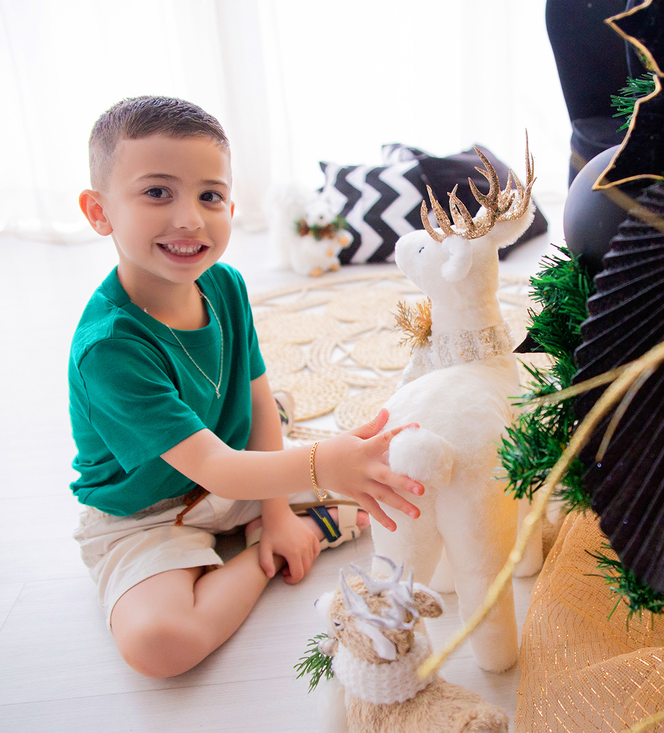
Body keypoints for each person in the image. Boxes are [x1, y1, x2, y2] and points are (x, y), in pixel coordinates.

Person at [69, 96, 423, 678]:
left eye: (209, 195)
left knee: (394, 481)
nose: (189, 218)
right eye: (158, 192)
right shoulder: (109, 347)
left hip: (239, 469)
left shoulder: (226, 284)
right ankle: (268, 554)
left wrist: (277, 508)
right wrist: (315, 478)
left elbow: (258, 397)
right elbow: (219, 470)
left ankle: (278, 527)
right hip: (148, 512)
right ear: (98, 210)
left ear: (232, 203)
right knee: (161, 645)